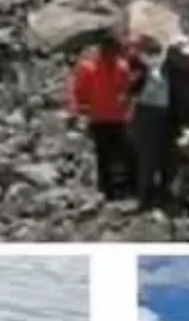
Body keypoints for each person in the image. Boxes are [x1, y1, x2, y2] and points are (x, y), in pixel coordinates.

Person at [66, 30, 134, 199]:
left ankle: (119, 188)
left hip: (117, 117)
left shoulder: (121, 67)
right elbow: (78, 91)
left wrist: (126, 102)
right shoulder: (89, 68)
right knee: (104, 154)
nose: (111, 54)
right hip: (100, 118)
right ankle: (107, 190)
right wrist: (77, 110)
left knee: (119, 153)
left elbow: (127, 91)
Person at [126, 35, 177, 210]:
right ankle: (155, 195)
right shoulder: (158, 67)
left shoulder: (149, 67)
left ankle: (149, 196)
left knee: (150, 158)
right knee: (156, 157)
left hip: (151, 113)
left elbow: (132, 90)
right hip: (157, 114)